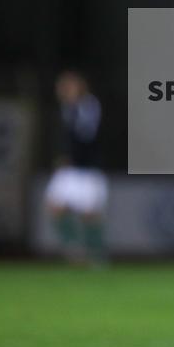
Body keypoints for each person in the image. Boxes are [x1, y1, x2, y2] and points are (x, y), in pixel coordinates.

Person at [45, 70, 108, 265]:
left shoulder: (88, 105)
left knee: (90, 214)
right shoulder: (67, 108)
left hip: (87, 168)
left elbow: (85, 134)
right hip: (69, 170)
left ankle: (97, 255)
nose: (63, 90)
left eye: (68, 86)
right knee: (55, 206)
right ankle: (74, 248)